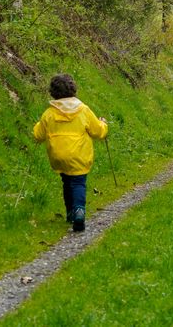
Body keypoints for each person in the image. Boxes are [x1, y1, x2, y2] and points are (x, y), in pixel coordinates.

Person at [33, 74, 108, 232]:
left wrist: (37, 125)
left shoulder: (49, 113)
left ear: (53, 92)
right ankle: (79, 210)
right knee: (78, 183)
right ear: (73, 89)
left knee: (66, 182)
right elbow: (97, 132)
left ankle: (70, 213)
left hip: (58, 156)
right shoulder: (83, 110)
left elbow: (38, 135)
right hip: (78, 156)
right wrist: (103, 124)